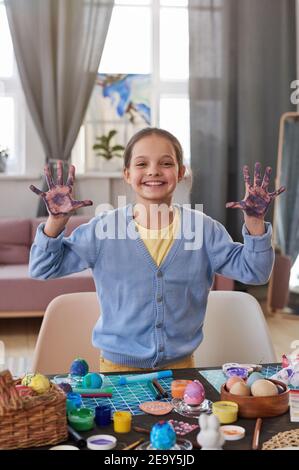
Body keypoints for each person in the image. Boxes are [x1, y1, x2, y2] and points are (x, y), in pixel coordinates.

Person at [29, 127, 285, 373]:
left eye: (166, 163)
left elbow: (256, 272)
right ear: (127, 174)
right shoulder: (103, 230)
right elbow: (42, 268)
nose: (154, 171)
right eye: (141, 164)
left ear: (181, 171)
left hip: (182, 369)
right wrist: (55, 221)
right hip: (118, 369)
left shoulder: (204, 229)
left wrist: (254, 221)